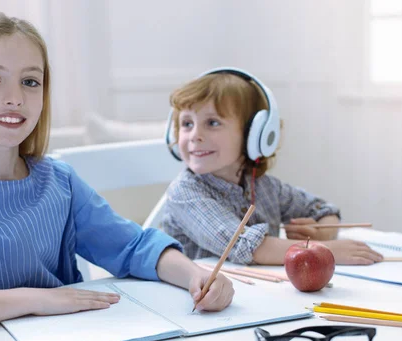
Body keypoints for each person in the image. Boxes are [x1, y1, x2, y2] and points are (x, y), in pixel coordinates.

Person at [0, 13, 234, 341]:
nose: (15, 98)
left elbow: (132, 246)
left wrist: (195, 276)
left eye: (30, 81)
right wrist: (36, 300)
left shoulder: (59, 182)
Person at [162, 68, 383, 266]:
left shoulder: (264, 186)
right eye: (187, 124)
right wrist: (325, 251)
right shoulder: (185, 193)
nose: (195, 136)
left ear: (255, 134)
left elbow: (324, 210)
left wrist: (322, 235)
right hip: (203, 304)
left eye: (212, 123)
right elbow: (244, 246)